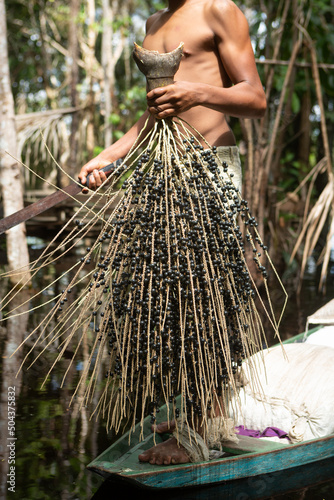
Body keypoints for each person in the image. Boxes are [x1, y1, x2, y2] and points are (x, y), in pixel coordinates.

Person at [78, 0, 266, 465]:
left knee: (206, 297)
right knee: (165, 295)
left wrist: (198, 93)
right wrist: (111, 154)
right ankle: (195, 402)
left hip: (209, 167)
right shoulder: (153, 23)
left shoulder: (219, 9)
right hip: (162, 172)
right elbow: (155, 117)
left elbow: (255, 99)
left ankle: (199, 428)